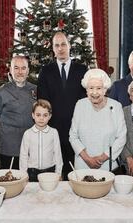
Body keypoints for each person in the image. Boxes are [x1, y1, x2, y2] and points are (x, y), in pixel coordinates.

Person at [37, 32, 88, 179]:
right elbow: (43, 100)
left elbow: (85, 100)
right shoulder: (46, 71)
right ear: (53, 49)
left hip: (77, 130)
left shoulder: (82, 70)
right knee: (56, 172)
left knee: (76, 173)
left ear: (69, 45)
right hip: (53, 129)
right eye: (57, 45)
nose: (60, 48)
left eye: (63, 44)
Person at [69, 69, 127, 171]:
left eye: (99, 88)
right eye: (91, 88)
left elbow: (121, 137)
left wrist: (102, 158)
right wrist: (87, 159)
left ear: (105, 89)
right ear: (86, 90)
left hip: (108, 165)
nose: (94, 92)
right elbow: (73, 136)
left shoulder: (116, 106)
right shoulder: (80, 105)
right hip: (83, 165)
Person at [0, 56, 36, 170]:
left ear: (28, 71)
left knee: (31, 182)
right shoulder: (0, 92)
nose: (20, 72)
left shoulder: (36, 90)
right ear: (10, 71)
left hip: (32, 146)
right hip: (9, 146)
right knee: (10, 180)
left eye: (23, 68)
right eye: (16, 68)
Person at [19, 99, 63, 182]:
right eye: (38, 115)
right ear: (33, 115)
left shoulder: (53, 132)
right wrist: (24, 175)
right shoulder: (27, 133)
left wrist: (58, 173)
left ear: (50, 116)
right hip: (32, 172)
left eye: (45, 115)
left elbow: (58, 154)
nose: (41, 118)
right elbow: (23, 156)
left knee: (49, 194)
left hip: (50, 171)